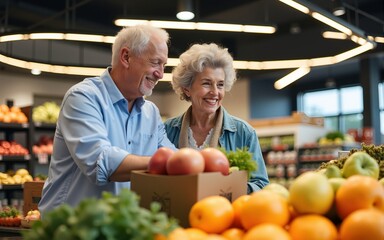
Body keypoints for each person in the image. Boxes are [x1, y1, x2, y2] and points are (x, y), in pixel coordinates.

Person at [38, 25, 176, 215]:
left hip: (118, 227)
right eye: (155, 63)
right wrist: (169, 162)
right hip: (71, 227)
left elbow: (171, 155)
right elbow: (102, 163)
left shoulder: (151, 113)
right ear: (126, 57)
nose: (160, 73)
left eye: (163, 65)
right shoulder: (83, 97)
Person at [164, 43, 269, 193]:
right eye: (207, 83)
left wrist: (228, 188)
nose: (215, 92)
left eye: (220, 85)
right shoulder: (167, 130)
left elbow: (261, 184)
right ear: (187, 88)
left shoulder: (244, 132)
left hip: (221, 213)